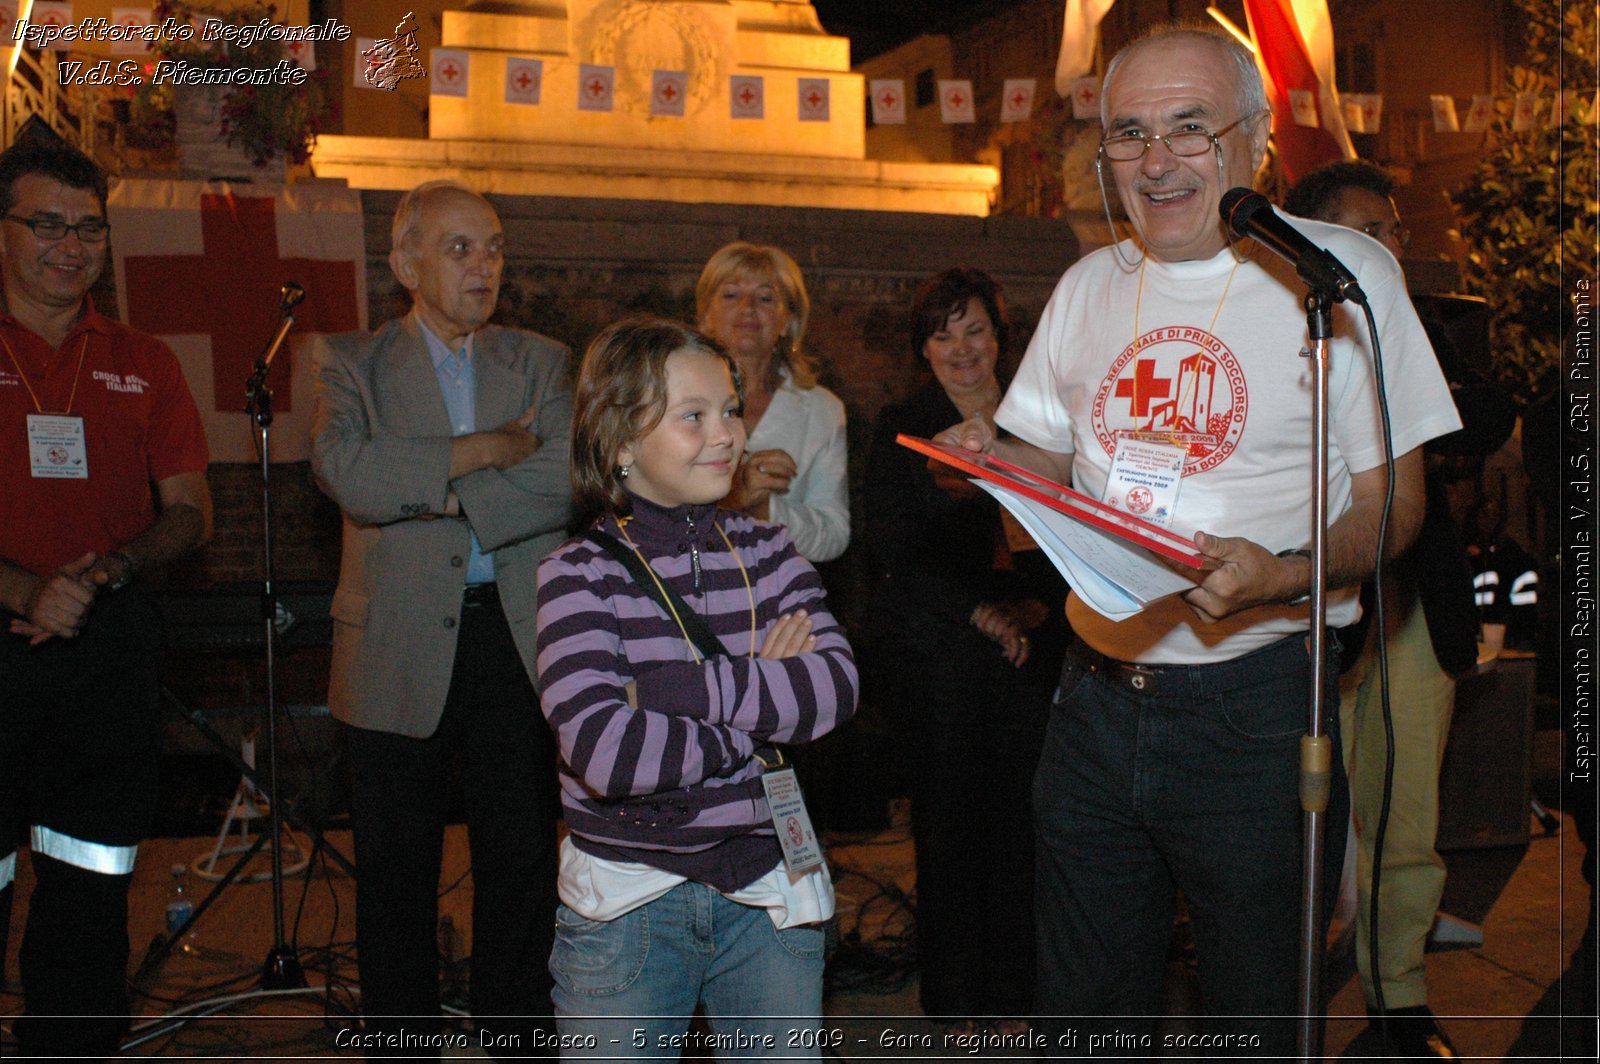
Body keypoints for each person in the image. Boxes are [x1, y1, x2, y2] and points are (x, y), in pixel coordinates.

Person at [936, 25, 1460, 1055]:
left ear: (1256, 139)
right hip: (1089, 703)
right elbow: (1042, 463)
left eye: (1189, 126)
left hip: (1257, 713)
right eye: (1128, 132)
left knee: (1258, 1014)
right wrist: (987, 456)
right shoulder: (1089, 284)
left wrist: (1284, 576)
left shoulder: (1341, 280)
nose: (1156, 158)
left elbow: (1393, 501)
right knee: (1084, 1015)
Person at [534, 318, 857, 1057]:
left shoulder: (770, 549)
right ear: (619, 443)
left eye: (731, 410)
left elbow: (835, 688)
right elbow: (608, 753)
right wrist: (763, 703)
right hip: (629, 906)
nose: (727, 435)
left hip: (769, 896)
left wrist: (680, 689)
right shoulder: (578, 574)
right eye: (693, 416)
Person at [310, 180, 572, 1056]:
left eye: (493, 246)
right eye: (460, 248)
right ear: (404, 263)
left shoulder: (541, 362)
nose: (483, 265)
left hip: (517, 639)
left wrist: (428, 488)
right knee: (394, 872)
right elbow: (351, 477)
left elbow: (565, 483)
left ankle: (516, 1039)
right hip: (393, 643)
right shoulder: (347, 361)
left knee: (522, 862)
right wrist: (493, 450)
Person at [1289, 159, 1515, 1060]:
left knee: (1405, 816)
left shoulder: (1417, 327)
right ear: (1312, 239)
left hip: (1409, 608)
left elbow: (1484, 416)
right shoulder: (1273, 327)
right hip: (1293, 617)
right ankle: (1273, 991)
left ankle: (1398, 998)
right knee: (1279, 825)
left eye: (1394, 232)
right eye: (1366, 232)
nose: (1389, 246)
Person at [0, 138, 212, 1058]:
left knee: (90, 890)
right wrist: (24, 590)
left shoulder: (145, 361)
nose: (70, 245)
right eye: (47, 223)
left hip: (108, 651)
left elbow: (192, 513)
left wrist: (107, 572)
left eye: (89, 227)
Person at [864, 268, 1067, 1031]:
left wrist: (1039, 607)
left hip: (1037, 646)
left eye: (975, 329)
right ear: (924, 348)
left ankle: (1017, 994)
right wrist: (982, 613)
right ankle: (954, 998)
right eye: (943, 334)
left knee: (1025, 823)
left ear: (1000, 337)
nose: (961, 349)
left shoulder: (1038, 422)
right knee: (948, 824)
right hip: (941, 652)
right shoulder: (902, 427)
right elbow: (895, 549)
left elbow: (1066, 527)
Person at [696, 242, 849, 563]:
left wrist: (765, 508)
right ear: (706, 314)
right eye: (731, 295)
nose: (748, 307)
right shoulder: (671, 396)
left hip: (778, 597)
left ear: (788, 321)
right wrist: (735, 493)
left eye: (765, 298)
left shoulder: (823, 410)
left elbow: (833, 536)